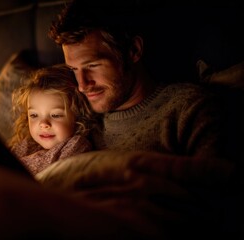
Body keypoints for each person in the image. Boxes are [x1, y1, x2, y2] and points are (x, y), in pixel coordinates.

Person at [47, 0, 243, 238]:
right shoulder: (77, 119)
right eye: (73, 70)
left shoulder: (189, 109)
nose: (82, 85)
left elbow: (219, 204)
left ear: (133, 51)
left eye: (93, 65)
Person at [8, 64, 99, 176]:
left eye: (55, 115)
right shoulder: (27, 144)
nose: (43, 124)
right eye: (34, 115)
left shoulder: (77, 145)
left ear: (77, 116)